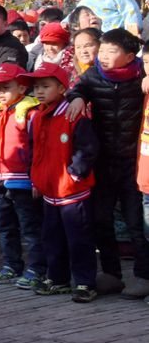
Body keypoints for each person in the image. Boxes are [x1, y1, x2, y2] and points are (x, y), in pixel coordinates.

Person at [66, 28, 149, 296]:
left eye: (110, 51)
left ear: (129, 56)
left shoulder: (142, 75)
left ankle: (143, 275)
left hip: (132, 162)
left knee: (136, 222)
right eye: (101, 50)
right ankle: (112, 273)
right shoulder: (93, 75)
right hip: (103, 160)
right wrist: (77, 97)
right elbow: (76, 88)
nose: (101, 56)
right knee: (101, 219)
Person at [28, 61, 99, 301]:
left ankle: (84, 282)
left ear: (61, 88)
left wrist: (74, 174)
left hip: (72, 192)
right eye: (36, 87)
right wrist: (37, 180)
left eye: (45, 86)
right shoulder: (37, 116)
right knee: (52, 237)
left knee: (79, 239)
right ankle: (58, 279)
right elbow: (36, 152)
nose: (39, 91)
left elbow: (87, 149)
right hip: (50, 192)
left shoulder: (73, 114)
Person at [0, 63, 42, 289]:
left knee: (30, 228)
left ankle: (36, 268)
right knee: (6, 227)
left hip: (22, 181)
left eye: (6, 87)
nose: (1, 92)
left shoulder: (31, 112)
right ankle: (12, 264)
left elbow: (37, 149)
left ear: (22, 88)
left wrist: (36, 178)